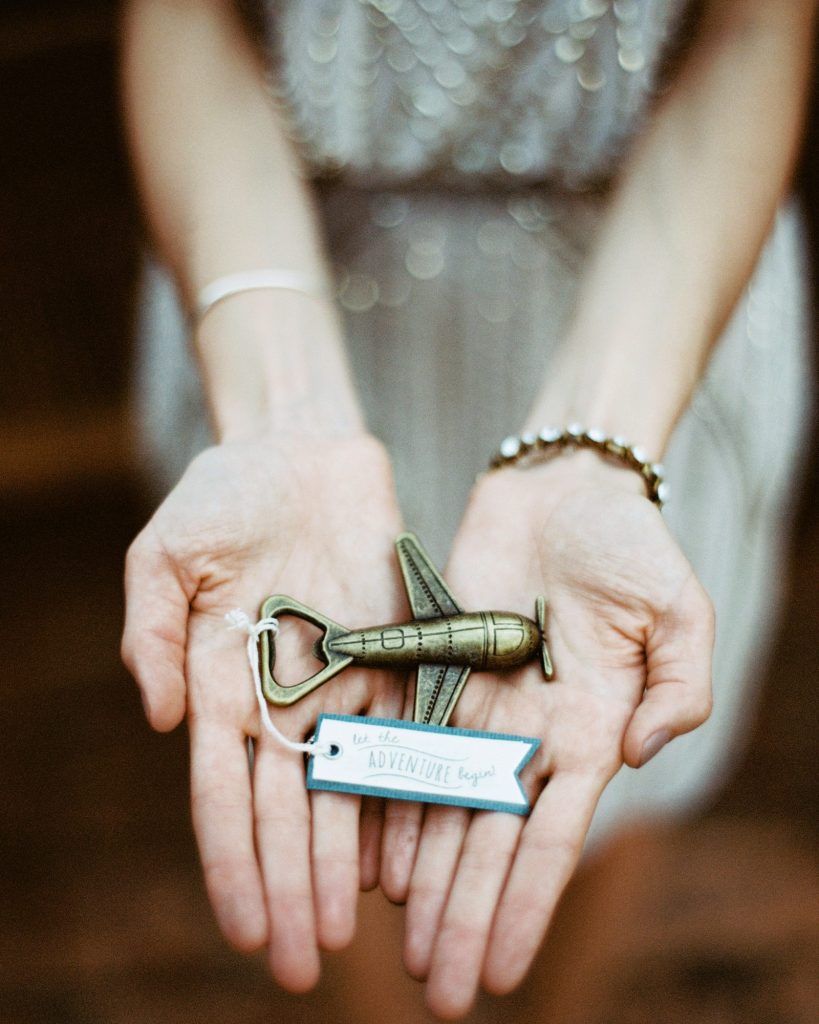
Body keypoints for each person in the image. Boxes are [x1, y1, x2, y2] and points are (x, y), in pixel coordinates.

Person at [120, 0, 815, 1018]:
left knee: (603, 781)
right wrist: (282, 408)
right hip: (286, 282)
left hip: (653, 319)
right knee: (330, 823)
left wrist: (597, 447)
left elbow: (763, 29)